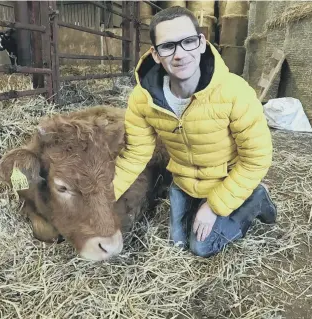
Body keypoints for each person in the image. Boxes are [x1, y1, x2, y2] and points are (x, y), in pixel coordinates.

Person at [112, 6, 277, 258]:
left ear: (201, 43)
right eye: (168, 47)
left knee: (201, 247)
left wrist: (213, 207)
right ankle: (197, 204)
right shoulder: (142, 99)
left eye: (188, 42)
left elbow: (257, 158)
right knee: (177, 245)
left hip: (224, 178)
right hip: (185, 180)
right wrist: (104, 195)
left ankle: (256, 197)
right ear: (155, 55)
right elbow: (136, 154)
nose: (179, 55)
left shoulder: (235, 92)